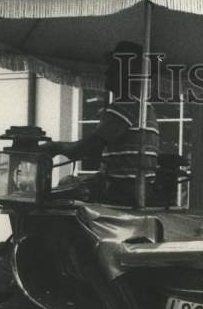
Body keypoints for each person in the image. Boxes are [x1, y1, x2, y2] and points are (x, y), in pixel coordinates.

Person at [44, 40, 160, 205]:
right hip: (131, 189)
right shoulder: (143, 107)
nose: (106, 73)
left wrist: (53, 147)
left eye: (112, 68)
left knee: (57, 196)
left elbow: (88, 147)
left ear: (126, 72)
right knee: (66, 184)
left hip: (122, 192)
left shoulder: (126, 105)